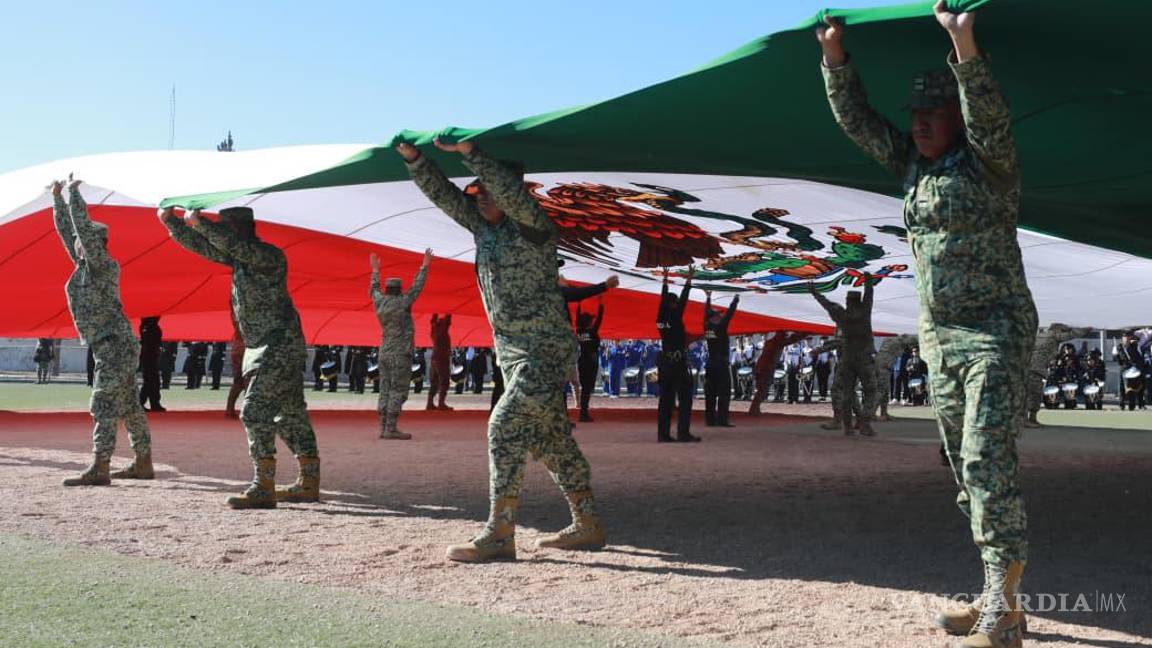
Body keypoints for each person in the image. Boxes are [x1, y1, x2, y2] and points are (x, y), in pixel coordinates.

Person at [818, 3, 1035, 642]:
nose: (916, 126)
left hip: (995, 331)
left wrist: (961, 39)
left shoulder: (988, 164)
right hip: (940, 340)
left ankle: (1002, 600)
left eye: (930, 117)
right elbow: (858, 122)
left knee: (985, 458)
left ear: (955, 121)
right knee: (964, 470)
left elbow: (988, 113)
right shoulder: (911, 168)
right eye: (913, 117)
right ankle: (1002, 590)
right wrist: (834, 56)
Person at [398, 138, 605, 561]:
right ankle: (587, 524)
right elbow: (446, 198)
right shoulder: (483, 229)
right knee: (551, 442)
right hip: (512, 354)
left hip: (543, 352)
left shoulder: (534, 226)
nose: (481, 198)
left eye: (489, 190)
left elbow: (510, 193)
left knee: (504, 427)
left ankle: (499, 533)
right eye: (480, 192)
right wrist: (417, 162)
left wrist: (473, 156)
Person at [159, 203, 320, 509]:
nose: (222, 235)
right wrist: (173, 224)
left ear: (239, 229)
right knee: (290, 415)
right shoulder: (240, 258)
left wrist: (201, 223)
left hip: (279, 346)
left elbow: (226, 243)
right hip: (265, 347)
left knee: (254, 411)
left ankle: (263, 486)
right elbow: (204, 247)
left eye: (225, 228)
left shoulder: (268, 256)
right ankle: (308, 483)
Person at [52, 179, 153, 486]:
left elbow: (80, 230)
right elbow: (67, 233)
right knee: (129, 405)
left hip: (114, 345)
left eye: (82, 242)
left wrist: (74, 194)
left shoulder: (102, 265)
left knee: (103, 403)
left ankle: (101, 466)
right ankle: (143, 462)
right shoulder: (83, 266)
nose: (76, 245)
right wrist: (58, 200)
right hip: (109, 344)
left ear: (94, 244)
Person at [370, 248, 431, 440]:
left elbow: (374, 290)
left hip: (384, 352)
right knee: (398, 390)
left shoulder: (380, 302)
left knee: (385, 389)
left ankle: (383, 427)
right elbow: (416, 288)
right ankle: (390, 428)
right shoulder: (403, 302)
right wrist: (424, 266)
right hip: (400, 354)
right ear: (399, 290)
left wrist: (375, 271)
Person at [808, 278, 877, 436]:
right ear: (859, 302)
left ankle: (847, 426)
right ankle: (865, 422)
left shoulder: (841, 315)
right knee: (871, 390)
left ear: (847, 302)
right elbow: (869, 297)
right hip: (863, 359)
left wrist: (814, 292)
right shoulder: (864, 314)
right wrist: (867, 281)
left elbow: (826, 304)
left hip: (847, 358)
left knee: (847, 392)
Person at [655, 267, 699, 442]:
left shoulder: (660, 320)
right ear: (674, 304)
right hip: (678, 363)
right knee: (685, 398)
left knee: (665, 400)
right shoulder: (674, 316)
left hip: (665, 363)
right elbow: (684, 302)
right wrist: (688, 280)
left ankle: (663, 434)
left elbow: (661, 302)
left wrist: (665, 281)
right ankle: (683, 432)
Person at [1024, 324, 1091, 427]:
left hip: (1029, 367)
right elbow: (1072, 334)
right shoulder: (1053, 335)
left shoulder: (1040, 336)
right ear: (1057, 330)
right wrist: (1086, 329)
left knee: (1030, 394)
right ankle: (1028, 420)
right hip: (1036, 369)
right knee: (1033, 395)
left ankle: (1031, 419)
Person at [703, 290, 740, 427]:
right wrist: (735, 300)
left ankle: (710, 420)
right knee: (724, 393)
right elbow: (729, 315)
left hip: (710, 363)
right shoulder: (720, 327)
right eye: (718, 315)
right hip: (721, 364)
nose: (720, 317)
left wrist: (708, 298)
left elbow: (706, 312)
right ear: (714, 318)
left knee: (710, 394)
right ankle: (722, 420)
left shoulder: (706, 327)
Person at [748, 331, 807, 415]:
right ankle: (754, 408)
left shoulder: (771, 342)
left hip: (761, 368)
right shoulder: (777, 342)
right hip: (766, 368)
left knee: (761, 389)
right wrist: (804, 334)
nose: (785, 337)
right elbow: (791, 340)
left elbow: (790, 340)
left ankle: (754, 408)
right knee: (763, 389)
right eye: (784, 336)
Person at [873, 334, 918, 421]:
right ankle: (871, 413)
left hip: (882, 366)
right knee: (882, 391)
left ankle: (883, 413)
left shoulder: (888, 340)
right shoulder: (898, 343)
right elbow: (911, 341)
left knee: (885, 391)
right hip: (883, 367)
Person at [575, 299, 605, 422]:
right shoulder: (592, 331)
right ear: (588, 322)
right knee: (587, 388)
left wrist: (579, 304)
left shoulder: (579, 331)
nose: (593, 321)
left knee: (585, 388)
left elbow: (577, 319)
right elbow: (599, 320)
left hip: (582, 361)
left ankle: (583, 412)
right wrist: (601, 304)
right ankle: (583, 414)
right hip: (591, 362)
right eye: (591, 320)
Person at [1115, 330, 1147, 412]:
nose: (1126, 338)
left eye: (1128, 337)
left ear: (1130, 338)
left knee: (1132, 388)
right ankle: (1121, 405)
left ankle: (1132, 405)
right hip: (1124, 368)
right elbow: (1119, 361)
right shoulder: (1119, 347)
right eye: (1124, 337)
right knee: (1121, 387)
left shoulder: (1135, 345)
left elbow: (1138, 358)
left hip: (1133, 369)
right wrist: (1116, 355)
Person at [426, 314, 453, 410]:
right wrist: (448, 315)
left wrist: (434, 318)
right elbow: (446, 323)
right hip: (442, 359)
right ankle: (441, 403)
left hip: (435, 358)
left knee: (434, 381)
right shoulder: (442, 331)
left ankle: (430, 403)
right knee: (444, 380)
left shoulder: (434, 331)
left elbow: (433, 323)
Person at [137, 317, 164, 411]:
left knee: (152, 381)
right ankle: (145, 403)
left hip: (151, 356)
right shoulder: (148, 327)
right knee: (151, 381)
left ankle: (153, 403)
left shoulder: (148, 326)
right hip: (149, 356)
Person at [225, 308, 247, 419]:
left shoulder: (237, 315)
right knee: (250, 381)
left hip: (238, 348)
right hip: (246, 349)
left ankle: (230, 409)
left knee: (239, 381)